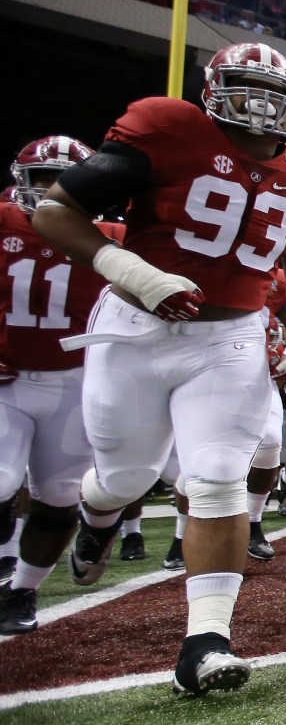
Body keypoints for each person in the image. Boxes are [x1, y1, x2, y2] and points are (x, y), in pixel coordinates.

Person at [33, 42, 286, 695]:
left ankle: (205, 642)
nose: (259, 105)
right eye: (245, 88)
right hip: (135, 330)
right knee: (127, 474)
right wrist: (135, 273)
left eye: (272, 93)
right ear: (212, 89)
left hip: (228, 338)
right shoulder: (166, 129)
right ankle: (98, 512)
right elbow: (56, 211)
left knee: (219, 478)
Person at [0, 137, 120, 636]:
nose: (52, 190)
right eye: (42, 179)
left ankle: (22, 589)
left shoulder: (114, 235)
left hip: (72, 381)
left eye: (64, 180)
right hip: (5, 378)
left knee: (58, 496)